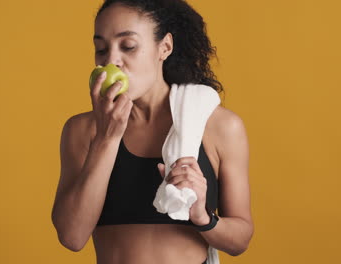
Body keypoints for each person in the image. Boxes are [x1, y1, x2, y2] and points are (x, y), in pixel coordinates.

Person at [51, 0, 253, 263]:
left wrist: (203, 217)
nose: (112, 60)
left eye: (128, 46)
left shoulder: (220, 127)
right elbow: (72, 236)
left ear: (165, 47)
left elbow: (240, 240)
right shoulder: (82, 130)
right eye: (101, 49)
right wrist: (106, 137)